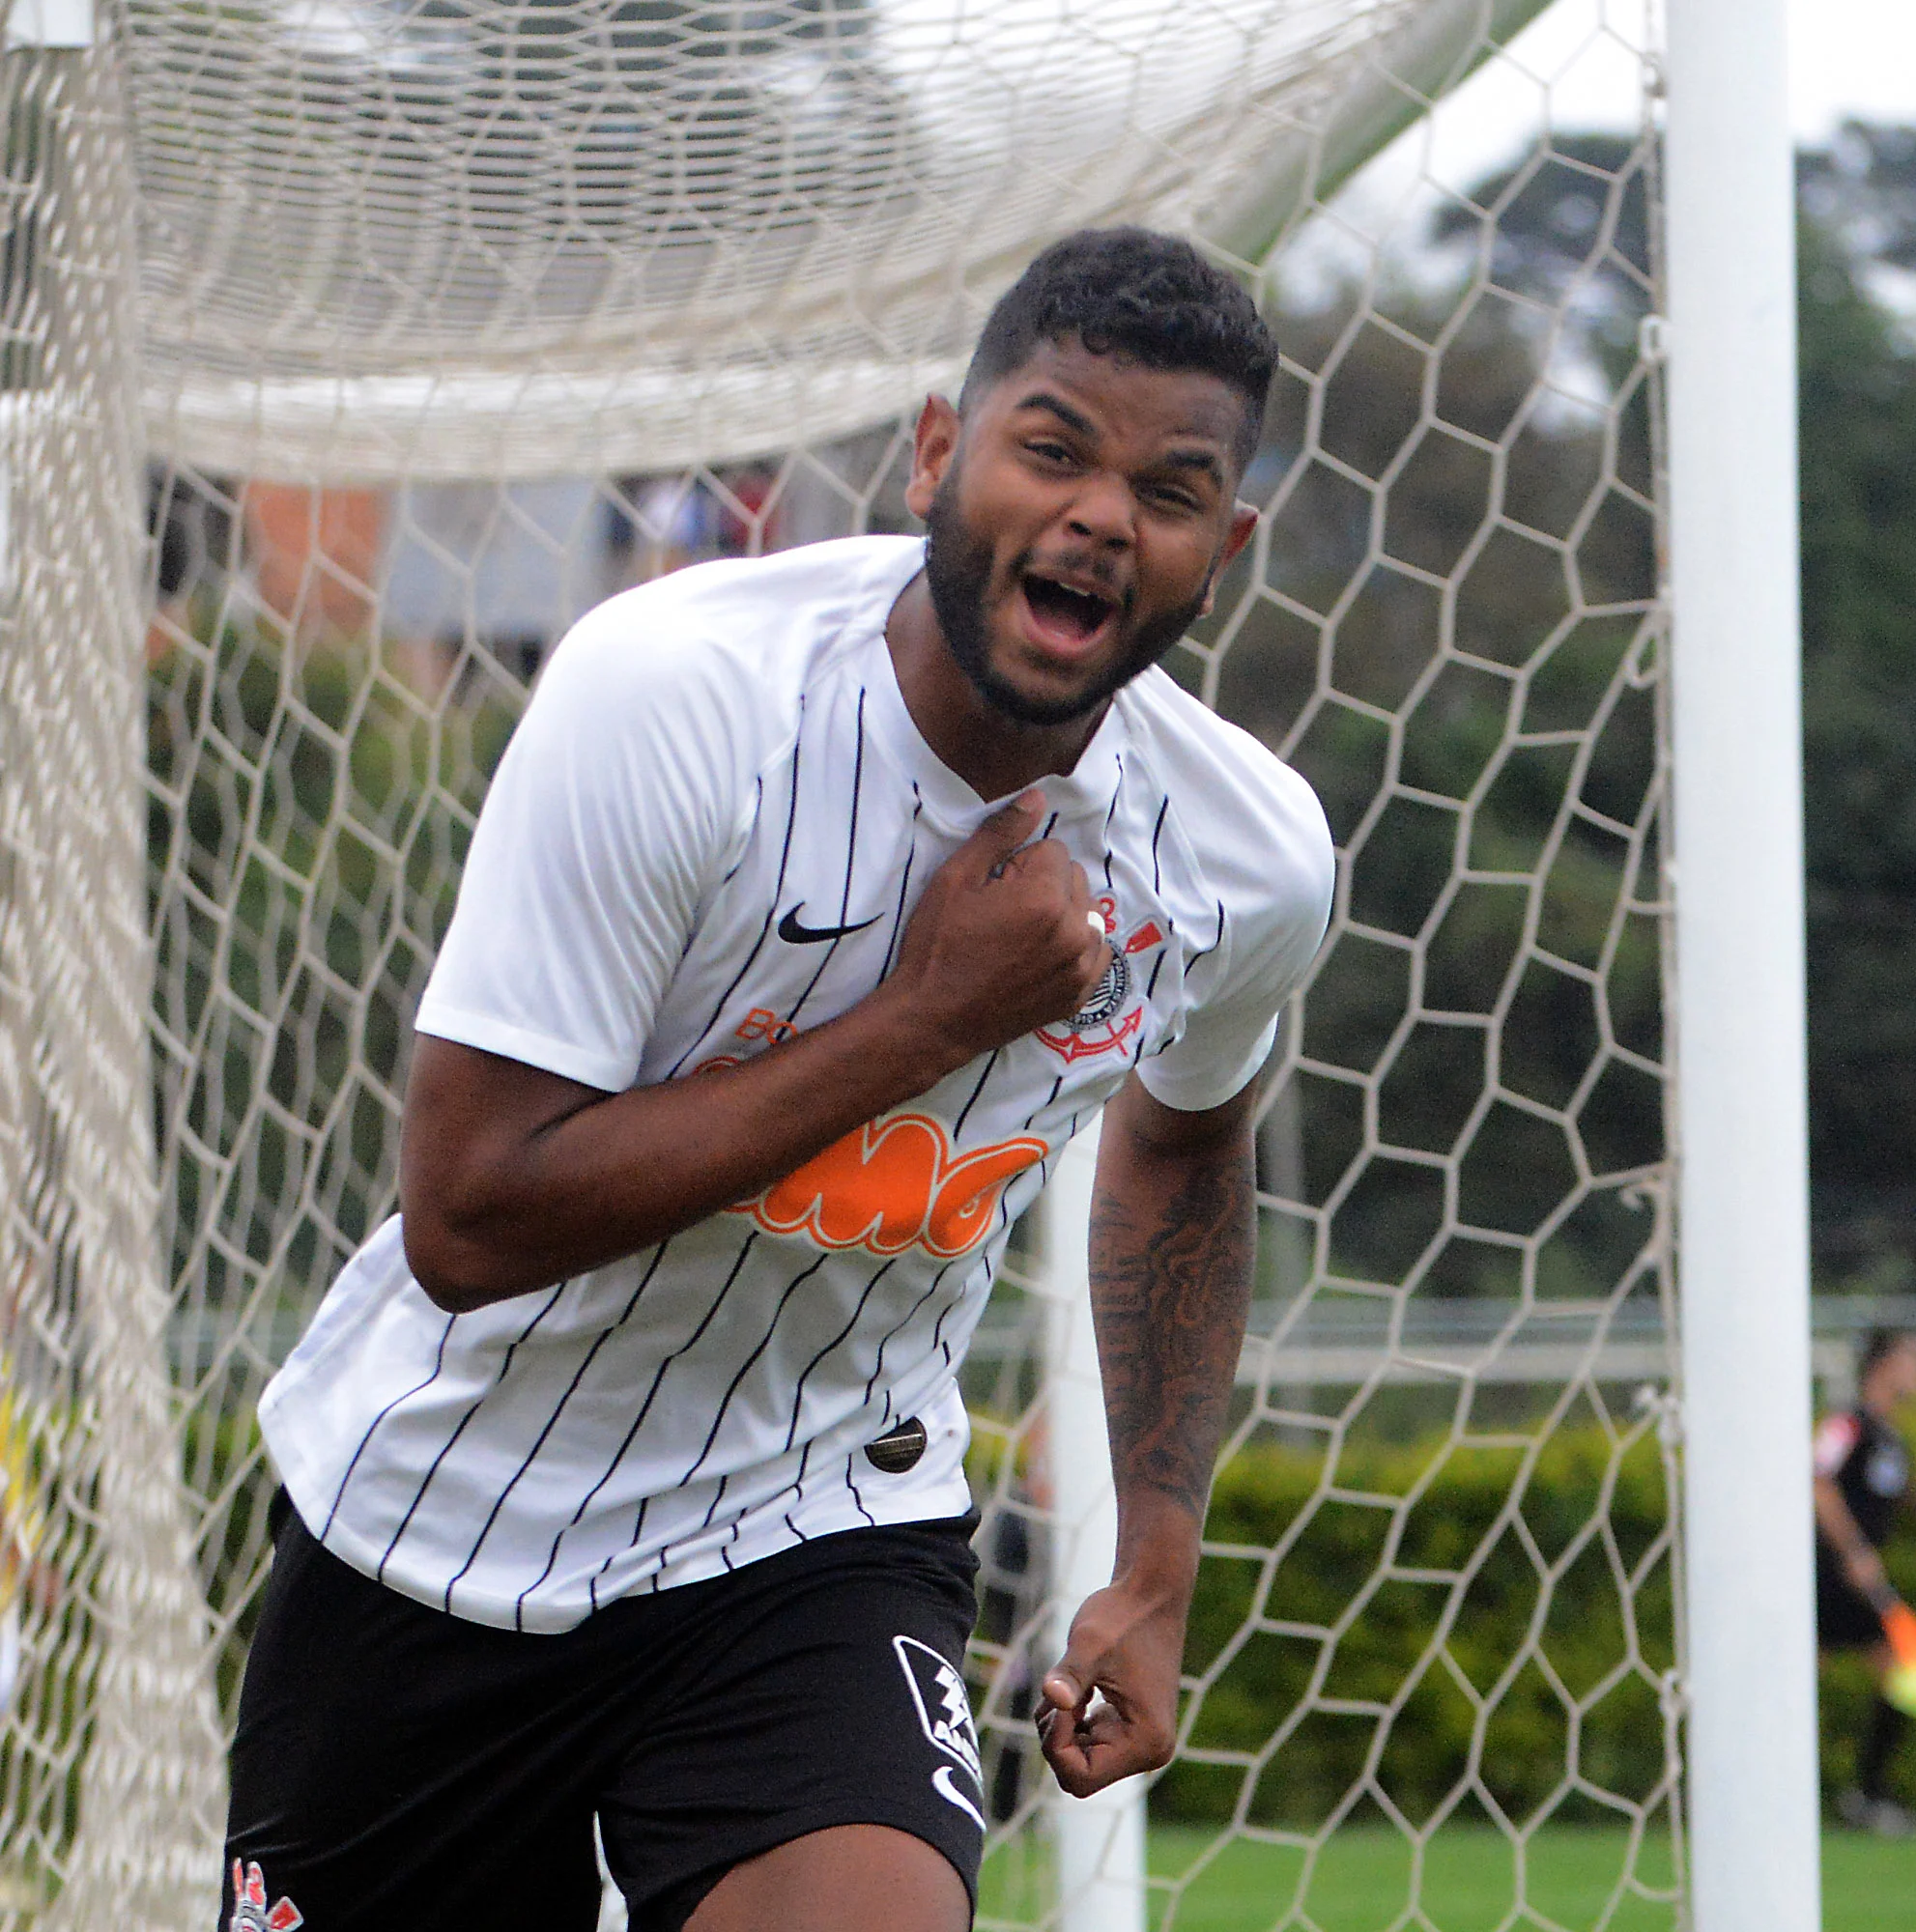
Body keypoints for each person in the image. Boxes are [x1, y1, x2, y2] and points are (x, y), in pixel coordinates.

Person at [220, 228, 1334, 1932]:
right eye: (1052, 448)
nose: (1104, 515)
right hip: (438, 1532)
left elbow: (1184, 1155)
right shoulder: (671, 697)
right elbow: (469, 1212)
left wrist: (1160, 1559)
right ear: (937, 454)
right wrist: (926, 1018)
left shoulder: (1247, 856)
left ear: (1222, 548)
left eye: (1169, 489)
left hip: (815, 1526)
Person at [1814, 1327, 1916, 1834]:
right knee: (1893, 1672)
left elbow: (1878, 1500)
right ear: (1884, 1365)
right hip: (1828, 1572)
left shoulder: (1888, 1435)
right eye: (1912, 1361)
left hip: (1853, 1576)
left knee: (1896, 1673)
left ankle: (1868, 1796)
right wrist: (1854, 1551)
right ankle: (1866, 1797)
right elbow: (1816, 1480)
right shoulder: (1847, 1423)